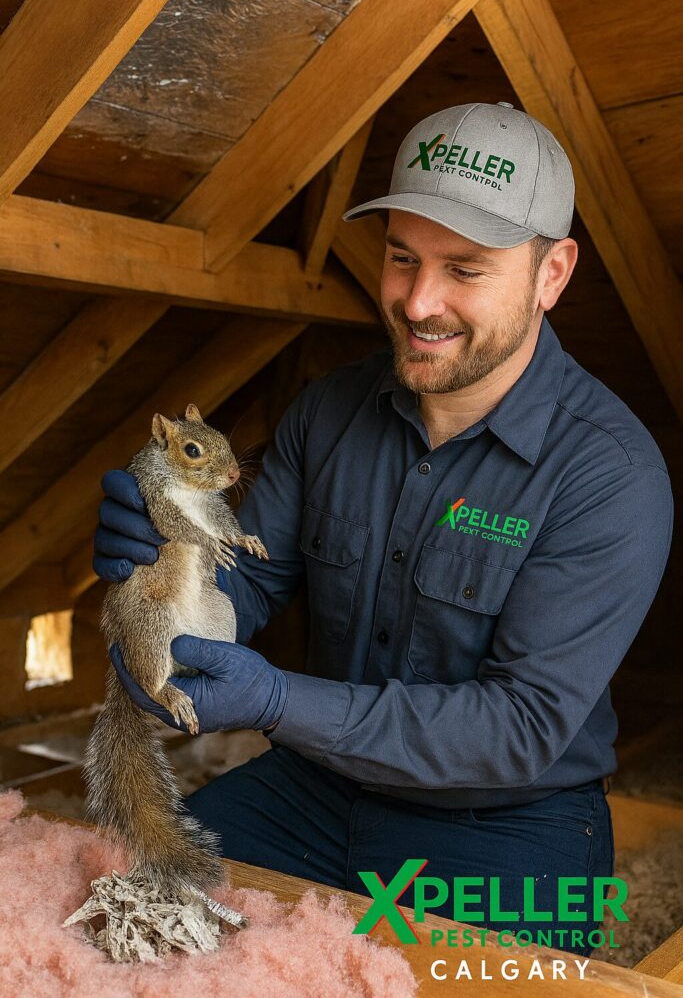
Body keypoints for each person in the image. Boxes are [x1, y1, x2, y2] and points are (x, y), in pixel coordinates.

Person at [93, 102, 673, 954]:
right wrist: (164, 574)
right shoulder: (327, 410)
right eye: (402, 257)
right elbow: (248, 586)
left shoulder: (608, 474)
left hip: (505, 824)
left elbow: (517, 729)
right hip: (314, 789)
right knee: (121, 919)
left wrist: (279, 700)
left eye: (465, 270)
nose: (418, 301)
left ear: (552, 273)